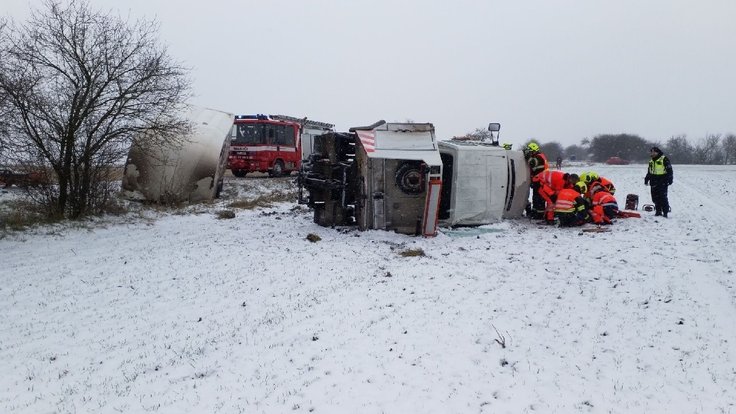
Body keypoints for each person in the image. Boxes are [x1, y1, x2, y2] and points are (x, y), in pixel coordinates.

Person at [644, 146, 674, 217]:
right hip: (653, 181)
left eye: (654, 152)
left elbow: (669, 170)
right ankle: (658, 211)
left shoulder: (664, 159)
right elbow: (649, 171)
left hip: (662, 180)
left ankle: (665, 212)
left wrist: (670, 179)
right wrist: (646, 179)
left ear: (657, 152)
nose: (652, 153)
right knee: (655, 198)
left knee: (663, 197)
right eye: (651, 152)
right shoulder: (651, 161)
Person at [523, 142, 549, 219]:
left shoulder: (538, 157)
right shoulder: (539, 156)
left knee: (539, 198)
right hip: (538, 181)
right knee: (536, 197)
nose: (530, 153)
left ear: (533, 150)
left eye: (530, 152)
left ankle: (539, 214)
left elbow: (532, 163)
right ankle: (535, 212)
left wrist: (527, 156)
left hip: (540, 181)